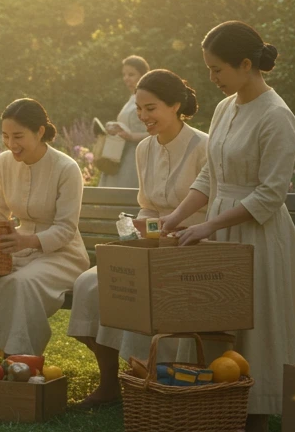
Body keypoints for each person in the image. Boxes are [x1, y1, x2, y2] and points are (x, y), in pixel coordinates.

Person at [159, 21, 295, 432]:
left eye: (218, 70)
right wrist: (177, 216)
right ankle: (212, 398)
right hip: (219, 225)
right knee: (213, 311)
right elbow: (212, 175)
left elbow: (270, 194)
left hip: (257, 232)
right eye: (208, 69)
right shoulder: (226, 108)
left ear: (247, 65)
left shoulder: (278, 117)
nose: (211, 79)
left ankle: (256, 412)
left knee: (254, 317)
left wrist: (209, 226)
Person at [67, 69, 208, 406]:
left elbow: (206, 213)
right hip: (148, 249)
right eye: (140, 109)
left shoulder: (204, 146)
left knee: (142, 291)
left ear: (175, 105)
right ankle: (110, 383)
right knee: (88, 285)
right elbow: (145, 208)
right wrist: (132, 233)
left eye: (151, 108)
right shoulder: (144, 148)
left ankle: (151, 382)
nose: (144, 117)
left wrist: (155, 231)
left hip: (190, 248)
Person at [0, 98, 89, 366]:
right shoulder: (4, 163)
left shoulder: (67, 169)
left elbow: (66, 229)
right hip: (15, 248)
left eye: (18, 136)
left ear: (40, 131)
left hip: (62, 256)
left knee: (20, 285)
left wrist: (28, 241)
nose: (11, 144)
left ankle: (17, 367)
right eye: (6, 136)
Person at [98, 55, 151, 188]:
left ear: (143, 75)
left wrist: (132, 136)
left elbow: (157, 132)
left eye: (131, 74)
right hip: (119, 154)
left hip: (137, 157)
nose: (126, 78)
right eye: (124, 74)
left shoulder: (150, 99)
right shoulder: (131, 98)